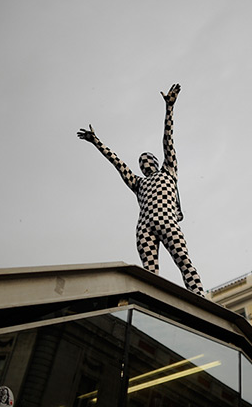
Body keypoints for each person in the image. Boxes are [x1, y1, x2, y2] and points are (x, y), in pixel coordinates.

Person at [77, 84, 205, 296]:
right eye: (140, 162)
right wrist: (97, 142)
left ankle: (199, 295)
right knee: (150, 272)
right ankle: (152, 299)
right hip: (145, 226)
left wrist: (169, 109)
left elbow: (168, 140)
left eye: (147, 159)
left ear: (154, 161)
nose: (143, 163)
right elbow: (117, 163)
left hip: (167, 221)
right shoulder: (138, 183)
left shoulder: (168, 171)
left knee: (183, 260)